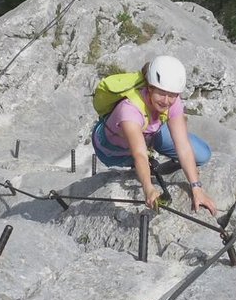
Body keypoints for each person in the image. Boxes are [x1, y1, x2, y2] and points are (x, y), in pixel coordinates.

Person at [91, 55, 217, 215]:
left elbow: (183, 146)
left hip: (149, 133)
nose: (166, 101)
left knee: (202, 154)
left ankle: (155, 158)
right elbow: (139, 154)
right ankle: (147, 162)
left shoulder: (172, 101)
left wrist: (196, 187)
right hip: (115, 149)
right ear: (149, 88)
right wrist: (148, 188)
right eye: (161, 93)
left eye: (172, 94)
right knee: (144, 162)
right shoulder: (130, 110)